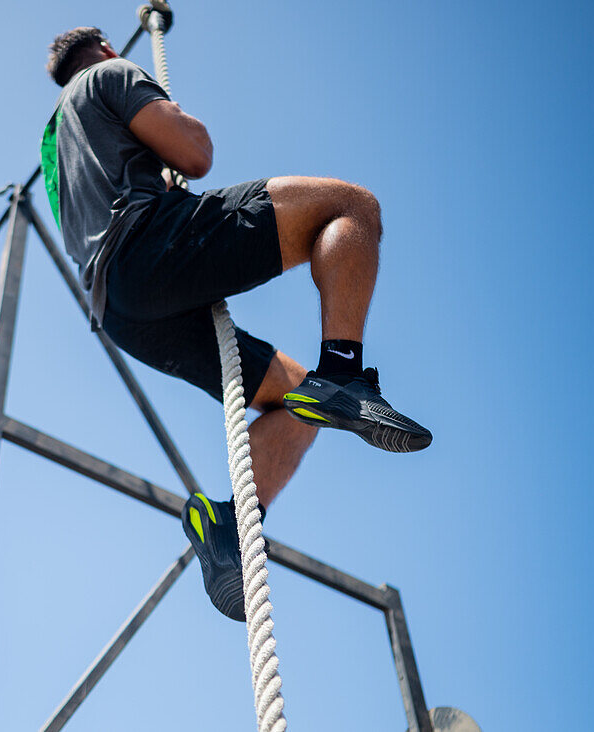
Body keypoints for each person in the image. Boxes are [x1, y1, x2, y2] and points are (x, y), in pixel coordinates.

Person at [41, 27, 431, 621]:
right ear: (103, 49)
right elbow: (195, 153)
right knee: (352, 206)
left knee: (301, 399)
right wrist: (172, 126)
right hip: (150, 249)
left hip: (122, 313)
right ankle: (346, 374)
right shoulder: (108, 76)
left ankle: (224, 525)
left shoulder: (56, 145)